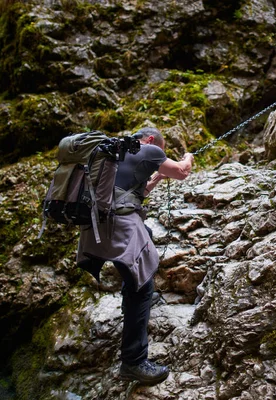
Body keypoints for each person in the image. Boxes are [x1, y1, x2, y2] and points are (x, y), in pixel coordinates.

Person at [76, 127, 194, 385]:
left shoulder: (116, 152)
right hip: (122, 229)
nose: (158, 155)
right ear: (151, 141)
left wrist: (158, 177)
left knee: (137, 268)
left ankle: (133, 304)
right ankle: (134, 362)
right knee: (142, 286)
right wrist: (188, 157)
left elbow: (131, 194)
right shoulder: (149, 149)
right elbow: (182, 172)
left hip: (98, 228)